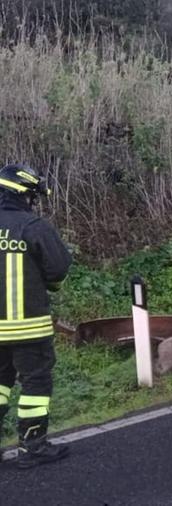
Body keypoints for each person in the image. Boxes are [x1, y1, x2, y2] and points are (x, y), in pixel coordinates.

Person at [0, 163, 73, 469]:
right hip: (28, 326)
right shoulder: (33, 227)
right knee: (35, 384)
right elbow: (58, 270)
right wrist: (50, 285)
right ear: (24, 194)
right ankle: (33, 446)